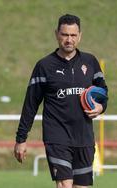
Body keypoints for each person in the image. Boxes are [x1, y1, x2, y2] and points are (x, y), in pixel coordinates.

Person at [14, 14, 108, 188]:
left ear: (80, 35)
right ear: (57, 34)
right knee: (65, 185)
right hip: (56, 136)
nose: (69, 40)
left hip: (84, 137)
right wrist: (21, 138)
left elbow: (103, 92)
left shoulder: (90, 62)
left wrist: (101, 107)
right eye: (65, 35)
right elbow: (30, 104)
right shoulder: (44, 66)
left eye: (73, 35)